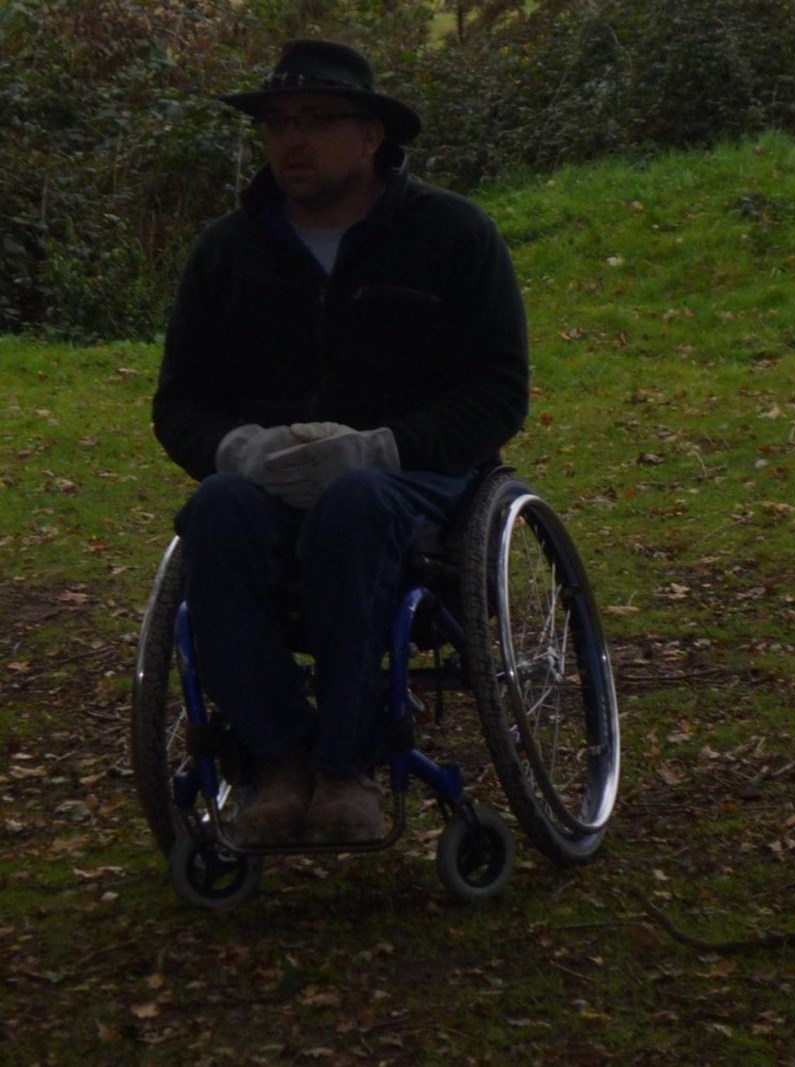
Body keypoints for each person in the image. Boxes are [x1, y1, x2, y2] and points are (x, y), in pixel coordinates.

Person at [152, 38, 529, 847]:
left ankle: (346, 763)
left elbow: (498, 392)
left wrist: (384, 448)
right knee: (215, 508)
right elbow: (180, 401)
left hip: (417, 481)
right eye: (278, 122)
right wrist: (239, 449)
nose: (291, 140)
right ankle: (278, 760)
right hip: (270, 485)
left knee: (356, 503)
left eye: (316, 120)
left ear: (370, 136)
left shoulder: (452, 235)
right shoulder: (226, 252)